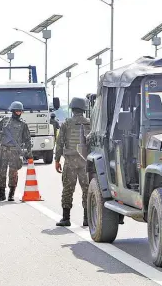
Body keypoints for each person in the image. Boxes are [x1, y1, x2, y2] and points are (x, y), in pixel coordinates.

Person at [55, 97, 91, 227]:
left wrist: (57, 160)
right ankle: (87, 219)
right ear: (83, 109)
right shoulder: (89, 123)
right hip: (85, 162)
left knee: (68, 189)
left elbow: (59, 143)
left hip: (70, 162)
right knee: (87, 190)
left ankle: (66, 218)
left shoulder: (66, 123)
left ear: (72, 108)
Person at [0, 101, 32, 201]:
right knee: (1, 172)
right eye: (17, 110)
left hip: (14, 151)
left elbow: (27, 139)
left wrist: (29, 152)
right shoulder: (4, 121)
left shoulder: (23, 125)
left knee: (13, 173)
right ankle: (2, 193)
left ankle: (11, 194)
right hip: (3, 150)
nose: (18, 112)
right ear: (12, 111)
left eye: (20, 111)